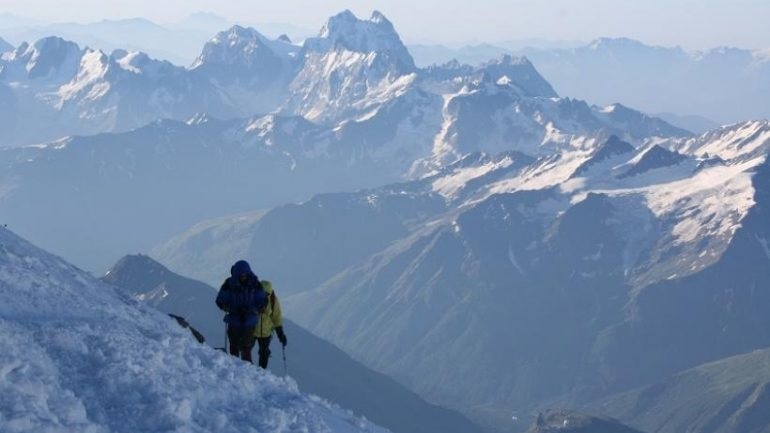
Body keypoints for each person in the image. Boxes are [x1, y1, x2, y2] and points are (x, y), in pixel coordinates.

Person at [215, 260, 267, 363]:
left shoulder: (254, 284)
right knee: (234, 345)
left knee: (246, 347)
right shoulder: (230, 284)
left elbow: (262, 299)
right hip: (235, 319)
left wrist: (260, 307)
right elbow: (220, 300)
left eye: (245, 275)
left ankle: (245, 368)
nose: (243, 277)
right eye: (241, 275)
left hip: (248, 320)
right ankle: (237, 366)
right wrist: (225, 306)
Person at [254, 278, 287, 369]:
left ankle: (261, 372)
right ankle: (248, 371)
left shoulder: (273, 299)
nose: (265, 296)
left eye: (267, 294)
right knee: (246, 349)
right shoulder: (253, 295)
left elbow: (276, 317)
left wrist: (281, 334)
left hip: (265, 332)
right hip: (252, 329)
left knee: (264, 353)